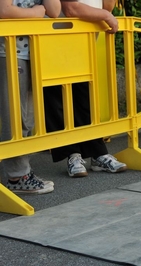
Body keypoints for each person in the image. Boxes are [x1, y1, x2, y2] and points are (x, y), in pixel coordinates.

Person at [43, 0, 127, 178]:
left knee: (84, 99)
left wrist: (106, 13)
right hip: (57, 41)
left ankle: (97, 153)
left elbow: (107, 7)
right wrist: (106, 16)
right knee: (59, 100)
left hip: (82, 42)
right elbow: (71, 8)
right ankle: (73, 155)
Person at [0, 0, 60, 194]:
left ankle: (22, 173)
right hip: (7, 52)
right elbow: (4, 10)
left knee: (28, 119)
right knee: (15, 118)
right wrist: (35, 12)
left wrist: (39, 11)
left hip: (34, 53)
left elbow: (54, 11)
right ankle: (17, 175)